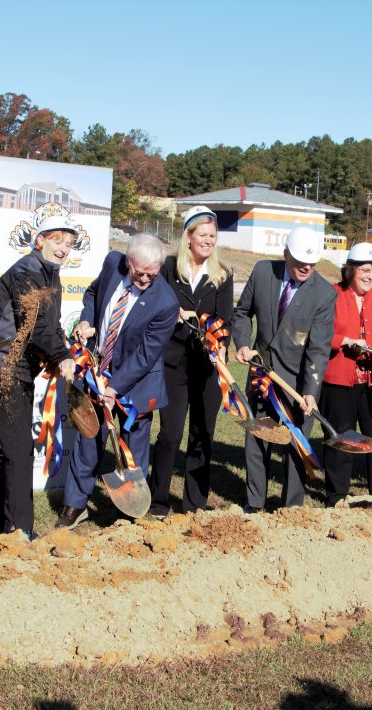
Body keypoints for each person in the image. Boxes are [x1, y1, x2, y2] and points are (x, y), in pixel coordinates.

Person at [54, 233, 178, 529]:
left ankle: (129, 514)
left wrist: (113, 388)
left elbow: (146, 356)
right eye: (139, 272)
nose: (146, 279)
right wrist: (86, 320)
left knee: (133, 450)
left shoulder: (165, 302)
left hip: (136, 383)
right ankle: (74, 506)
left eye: (153, 273)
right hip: (96, 371)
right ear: (127, 262)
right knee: (88, 440)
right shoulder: (112, 264)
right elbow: (92, 294)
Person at [234, 226, 335, 512]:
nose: (306, 268)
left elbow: (319, 348)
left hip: (297, 382)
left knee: (296, 445)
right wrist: (242, 343)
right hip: (261, 374)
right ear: (285, 254)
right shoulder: (263, 272)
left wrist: (311, 391)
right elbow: (242, 313)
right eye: (300, 262)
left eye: (311, 264)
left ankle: (292, 508)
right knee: (257, 439)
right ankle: (254, 504)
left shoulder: (324, 295)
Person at [0, 216, 76, 539]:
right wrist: (61, 356)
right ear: (39, 240)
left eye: (68, 243)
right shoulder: (27, 272)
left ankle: (1, 519)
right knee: (20, 450)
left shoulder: (50, 274)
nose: (63, 249)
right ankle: (18, 527)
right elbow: (35, 326)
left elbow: (50, 328)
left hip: (20, 369)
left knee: (16, 448)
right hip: (5, 368)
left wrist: (66, 346)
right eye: (57, 241)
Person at [149, 206, 234, 518]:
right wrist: (176, 316)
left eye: (212, 236)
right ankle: (158, 502)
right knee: (170, 434)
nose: (208, 240)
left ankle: (194, 504)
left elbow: (226, 318)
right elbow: (155, 305)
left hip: (207, 367)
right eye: (203, 235)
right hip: (174, 364)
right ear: (188, 237)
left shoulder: (222, 274)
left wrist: (219, 341)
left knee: (203, 435)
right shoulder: (169, 268)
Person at [321, 242, 372, 506]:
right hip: (340, 381)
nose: (370, 276)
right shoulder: (331, 295)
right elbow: (320, 333)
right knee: (340, 439)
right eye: (365, 270)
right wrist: (344, 341)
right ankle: (337, 496)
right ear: (350, 270)